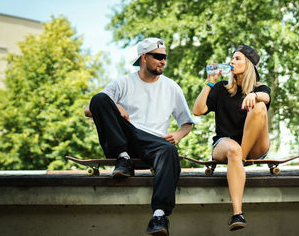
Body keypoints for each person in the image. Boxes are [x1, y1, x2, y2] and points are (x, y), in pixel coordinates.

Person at [84, 38, 194, 236]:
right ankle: (123, 158)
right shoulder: (123, 83)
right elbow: (90, 109)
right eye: (158, 57)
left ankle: (159, 216)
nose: (163, 62)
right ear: (144, 57)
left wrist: (178, 134)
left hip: (154, 144)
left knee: (170, 150)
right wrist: (115, 106)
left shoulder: (171, 87)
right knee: (100, 98)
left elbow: (187, 122)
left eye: (165, 58)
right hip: (125, 137)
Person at [193, 44, 271, 231]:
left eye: (237, 58)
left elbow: (266, 98)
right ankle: (237, 213)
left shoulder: (261, 88)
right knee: (234, 150)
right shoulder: (221, 88)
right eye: (232, 58)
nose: (232, 61)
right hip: (225, 144)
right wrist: (210, 82)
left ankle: (239, 160)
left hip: (255, 146)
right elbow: (198, 111)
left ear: (249, 65)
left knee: (259, 106)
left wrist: (254, 95)